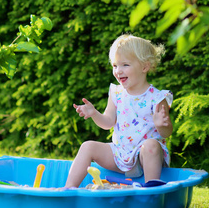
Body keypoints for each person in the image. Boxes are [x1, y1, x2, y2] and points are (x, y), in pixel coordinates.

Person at [65, 34, 173, 188]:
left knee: (151, 145)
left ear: (144, 67)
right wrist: (94, 113)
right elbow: (108, 122)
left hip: (146, 158)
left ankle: (151, 191)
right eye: (115, 65)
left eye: (125, 65)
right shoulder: (116, 93)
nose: (118, 71)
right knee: (87, 146)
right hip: (119, 153)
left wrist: (161, 125)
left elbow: (166, 132)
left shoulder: (157, 98)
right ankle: (68, 188)